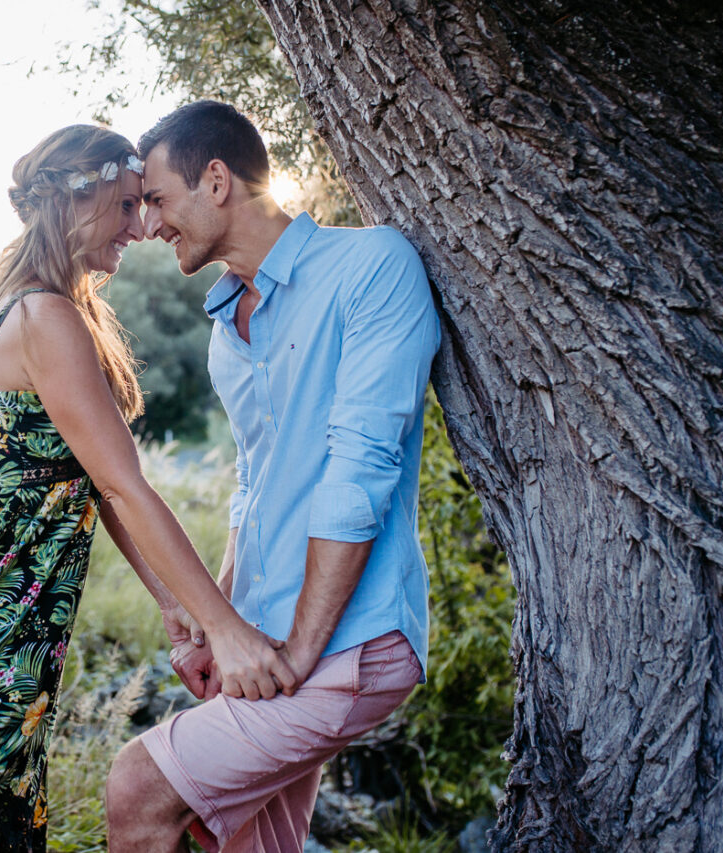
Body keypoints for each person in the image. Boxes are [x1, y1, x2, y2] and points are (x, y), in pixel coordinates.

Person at [0, 124, 297, 853]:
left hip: (4, 607)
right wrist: (223, 626)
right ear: (77, 199)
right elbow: (124, 486)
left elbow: (92, 484)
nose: (141, 226)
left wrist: (171, 605)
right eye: (127, 206)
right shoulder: (46, 314)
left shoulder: (58, 307)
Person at [105, 101, 442, 853]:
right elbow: (253, 485)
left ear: (216, 180)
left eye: (157, 199)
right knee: (252, 843)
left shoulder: (371, 267)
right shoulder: (228, 329)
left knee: (138, 786)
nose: (149, 224)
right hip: (269, 641)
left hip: (350, 639)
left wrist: (297, 652)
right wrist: (218, 621)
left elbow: (360, 473)